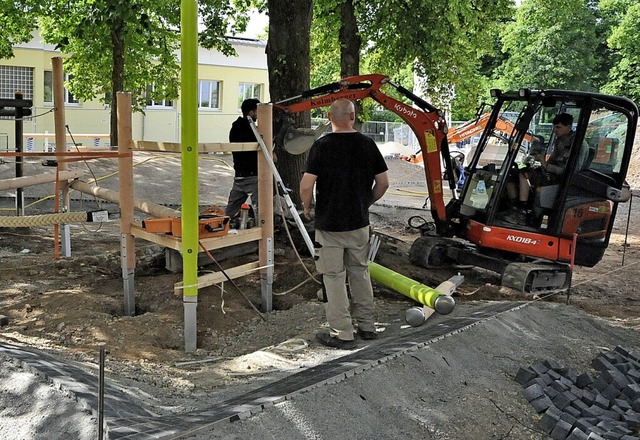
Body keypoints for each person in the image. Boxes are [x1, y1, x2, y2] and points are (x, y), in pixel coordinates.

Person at [299, 98, 389, 350]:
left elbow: (306, 185)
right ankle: (367, 326)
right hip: (359, 223)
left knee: (334, 277)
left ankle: (342, 333)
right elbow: (383, 183)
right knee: (360, 271)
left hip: (330, 225)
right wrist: (366, 203)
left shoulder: (321, 146)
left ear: (329, 117)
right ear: (352, 116)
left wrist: (307, 207)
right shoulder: (368, 144)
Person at [504, 112, 585, 225]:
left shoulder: (577, 144)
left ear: (568, 127)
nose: (555, 130)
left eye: (558, 127)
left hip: (562, 179)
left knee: (524, 175)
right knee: (512, 174)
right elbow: (552, 160)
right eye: (554, 127)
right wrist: (541, 162)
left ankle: (522, 213)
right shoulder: (561, 140)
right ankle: (514, 208)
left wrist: (546, 165)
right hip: (551, 173)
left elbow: (569, 171)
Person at [225, 98, 261, 221]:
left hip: (239, 176)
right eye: (258, 111)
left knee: (229, 211)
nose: (260, 114)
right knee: (260, 211)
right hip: (253, 176)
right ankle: (261, 235)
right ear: (251, 113)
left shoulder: (235, 128)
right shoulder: (250, 130)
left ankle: (222, 227)